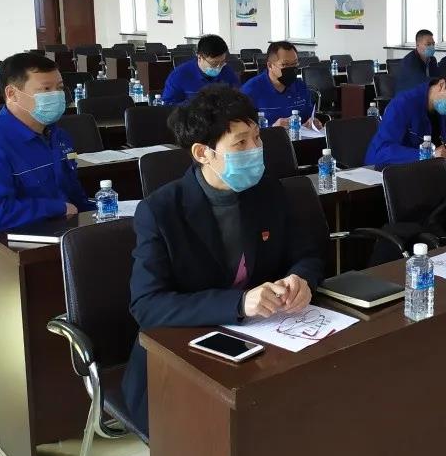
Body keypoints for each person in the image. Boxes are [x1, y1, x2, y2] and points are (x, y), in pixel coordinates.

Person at [122, 86, 324, 436]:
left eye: (257, 138)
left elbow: (306, 253)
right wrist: (239, 303)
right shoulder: (160, 212)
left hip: (261, 343)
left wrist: (301, 279)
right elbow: (148, 306)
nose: (256, 150)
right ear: (203, 152)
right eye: (240, 143)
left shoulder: (267, 190)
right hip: (181, 357)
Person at [0, 52, 94, 247]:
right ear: (12, 94)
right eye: (46, 89)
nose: (56, 95)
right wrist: (56, 208)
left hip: (63, 235)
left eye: (59, 88)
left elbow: (73, 194)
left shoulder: (58, 136)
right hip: (9, 250)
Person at [365, 64, 446, 166]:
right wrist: (428, 154)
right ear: (441, 85)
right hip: (401, 171)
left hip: (438, 169)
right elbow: (381, 152)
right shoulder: (403, 104)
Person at [241, 41, 322, 130]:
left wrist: (313, 123)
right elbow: (242, 129)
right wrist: (272, 129)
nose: (291, 68)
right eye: (285, 64)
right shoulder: (250, 90)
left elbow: (309, 116)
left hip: (300, 137)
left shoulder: (300, 86)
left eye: (294, 63)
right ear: (270, 66)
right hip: (267, 138)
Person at [161, 35, 240, 105]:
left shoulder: (227, 71)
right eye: (214, 63)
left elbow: (238, 97)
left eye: (222, 62)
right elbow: (169, 106)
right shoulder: (179, 75)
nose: (219, 66)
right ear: (200, 57)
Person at [395, 29, 439, 93]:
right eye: (428, 44)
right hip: (407, 95)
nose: (432, 47)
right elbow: (419, 81)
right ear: (417, 45)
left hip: (425, 92)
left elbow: (437, 77)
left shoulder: (432, 60)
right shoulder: (410, 61)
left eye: (433, 44)